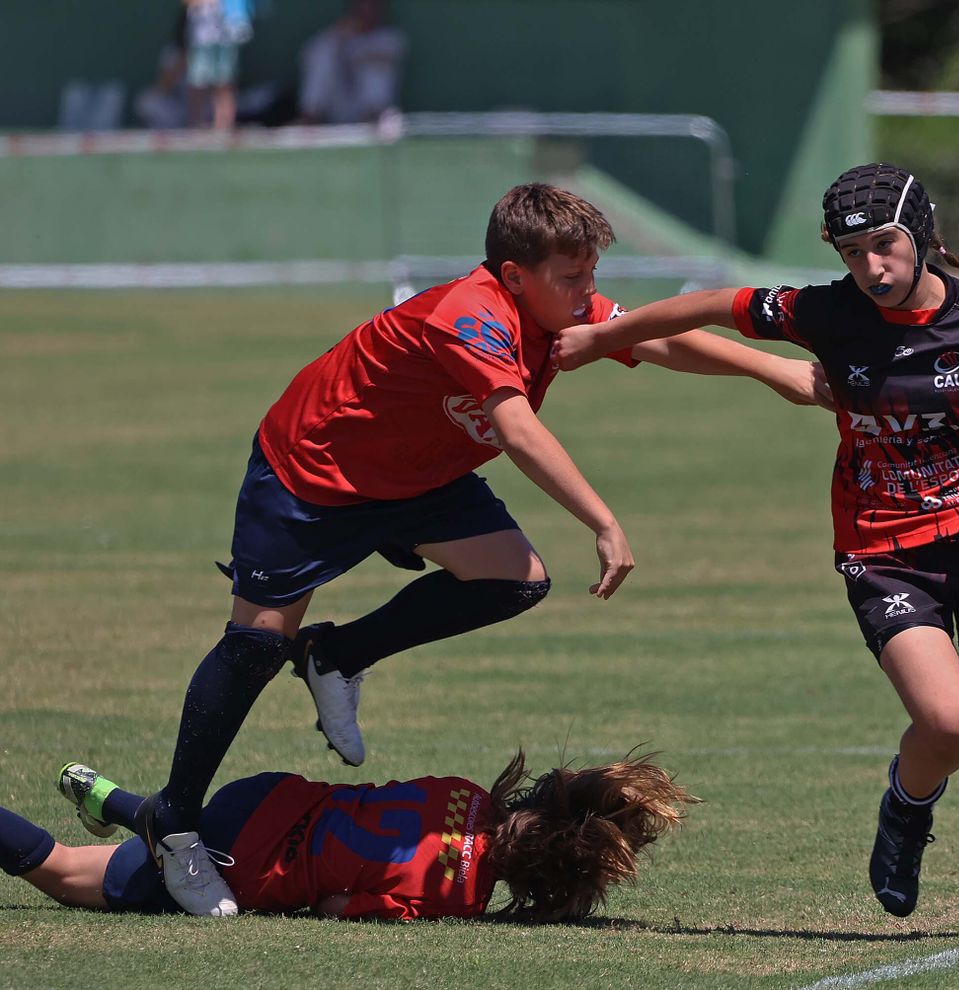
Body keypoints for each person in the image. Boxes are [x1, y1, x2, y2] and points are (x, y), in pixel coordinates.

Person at [553, 163, 959, 936]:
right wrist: (607, 336)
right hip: (883, 549)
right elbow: (713, 305)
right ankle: (908, 808)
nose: (870, 268)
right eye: (850, 252)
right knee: (948, 722)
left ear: (924, 237)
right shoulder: (828, 314)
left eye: (884, 246)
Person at [133, 182, 828, 917]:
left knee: (514, 579)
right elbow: (518, 431)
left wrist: (775, 370)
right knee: (255, 646)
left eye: (590, 275)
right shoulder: (470, 316)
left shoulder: (555, 304)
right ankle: (173, 819)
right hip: (316, 470)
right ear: (513, 276)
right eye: (571, 279)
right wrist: (603, 520)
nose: (587, 293)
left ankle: (337, 656)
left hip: (419, 477)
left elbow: (649, 334)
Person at [2, 756, 691, 921]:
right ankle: (126, 811)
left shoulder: (466, 793)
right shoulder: (456, 896)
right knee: (66, 877)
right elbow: (338, 908)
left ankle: (111, 798)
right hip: (246, 863)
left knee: (154, 840)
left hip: (266, 795)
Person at [298, 0, 407, 125]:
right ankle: (310, 118)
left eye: (372, 9)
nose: (367, 14)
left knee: (373, 67)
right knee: (322, 55)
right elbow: (308, 54)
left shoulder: (390, 37)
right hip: (336, 106)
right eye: (362, 9)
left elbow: (383, 56)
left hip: (370, 109)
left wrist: (353, 53)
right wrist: (338, 35)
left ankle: (373, 118)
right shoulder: (336, 37)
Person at [184, 0, 254, 130]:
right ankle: (195, 125)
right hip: (202, 40)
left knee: (224, 82)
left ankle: (223, 126)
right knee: (198, 83)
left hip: (226, 38)